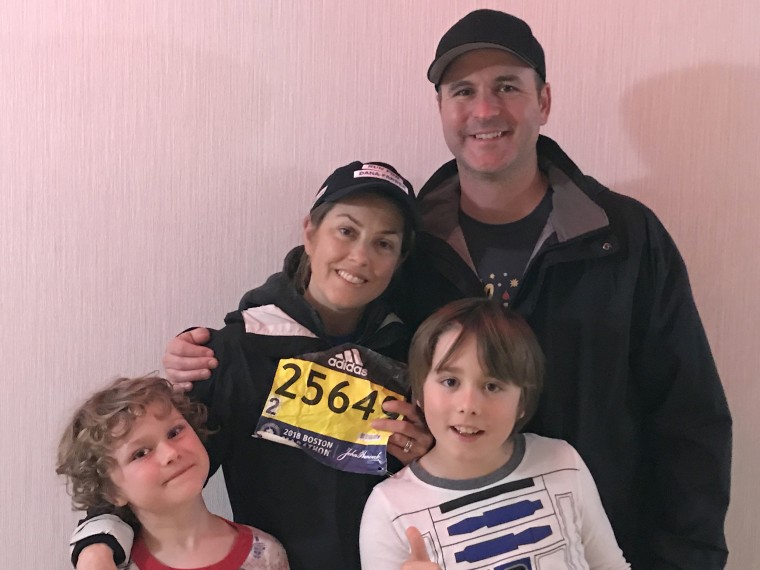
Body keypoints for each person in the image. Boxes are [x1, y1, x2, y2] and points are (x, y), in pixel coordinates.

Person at [109, 9, 733, 569]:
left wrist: (688, 557)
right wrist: (231, 337)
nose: (485, 110)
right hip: (434, 549)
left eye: (507, 88)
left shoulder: (623, 236)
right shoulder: (409, 250)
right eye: (463, 91)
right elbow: (320, 330)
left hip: (597, 542)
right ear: (441, 108)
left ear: (543, 100)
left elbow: (689, 416)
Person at [69, 161, 433, 570]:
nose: (361, 256)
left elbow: (444, 482)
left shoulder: (416, 360)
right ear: (310, 234)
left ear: (400, 259)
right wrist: (99, 540)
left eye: (384, 243)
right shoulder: (236, 353)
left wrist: (431, 460)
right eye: (346, 231)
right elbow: (159, 467)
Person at [359, 298, 629, 569]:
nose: (468, 406)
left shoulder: (562, 461)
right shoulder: (389, 508)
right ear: (419, 391)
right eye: (450, 381)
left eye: (492, 386)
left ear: (522, 401)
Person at [57, 375, 289, 569]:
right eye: (140, 453)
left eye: (175, 432)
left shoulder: (266, 554)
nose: (170, 453)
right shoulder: (108, 563)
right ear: (111, 491)